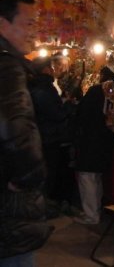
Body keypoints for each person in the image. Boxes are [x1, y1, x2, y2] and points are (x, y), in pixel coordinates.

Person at [0, 0, 53, 266]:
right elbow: (15, 124)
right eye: (28, 22)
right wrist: (30, 175)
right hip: (9, 211)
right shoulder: (7, 65)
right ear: (3, 24)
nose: (34, 30)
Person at [73, 66, 114, 225]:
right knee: (97, 177)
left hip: (91, 139)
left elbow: (82, 113)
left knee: (87, 177)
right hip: (106, 139)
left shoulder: (96, 91)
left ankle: (91, 214)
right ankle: (95, 210)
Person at [28, 56, 70, 218]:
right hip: (49, 137)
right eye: (51, 68)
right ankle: (42, 209)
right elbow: (56, 114)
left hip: (41, 136)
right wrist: (67, 105)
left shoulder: (35, 87)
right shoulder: (44, 89)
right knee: (49, 173)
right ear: (45, 69)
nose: (53, 70)